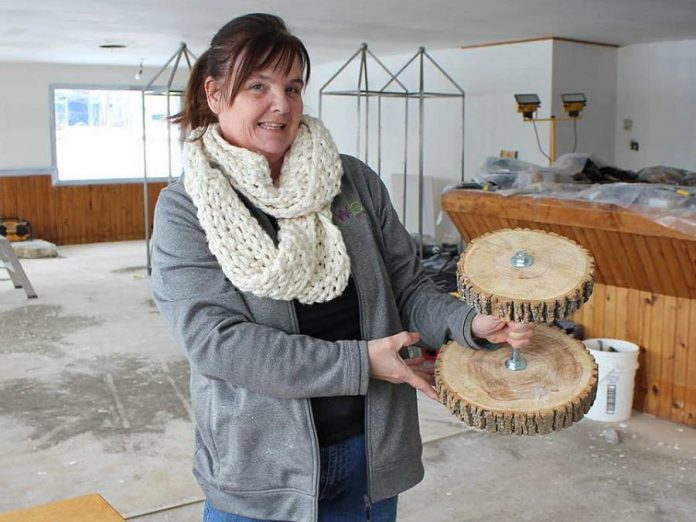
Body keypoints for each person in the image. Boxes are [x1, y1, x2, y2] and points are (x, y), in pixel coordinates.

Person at [151, 13, 533, 522]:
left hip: (369, 453)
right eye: (258, 86)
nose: (280, 105)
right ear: (216, 93)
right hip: (262, 465)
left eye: (293, 86)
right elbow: (216, 342)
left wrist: (468, 323)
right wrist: (359, 363)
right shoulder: (185, 207)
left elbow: (406, 287)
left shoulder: (350, 180)